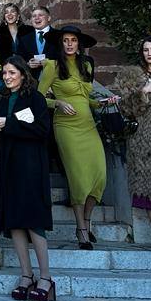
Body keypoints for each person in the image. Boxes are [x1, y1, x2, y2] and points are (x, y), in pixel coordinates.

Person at [38, 26, 115, 250]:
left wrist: (100, 102)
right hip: (66, 127)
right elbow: (38, 99)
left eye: (73, 40)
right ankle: (81, 229)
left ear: (78, 44)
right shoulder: (51, 66)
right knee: (79, 179)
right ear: (59, 44)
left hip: (88, 125)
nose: (70, 44)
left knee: (99, 176)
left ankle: (87, 222)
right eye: (65, 40)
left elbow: (86, 97)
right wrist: (58, 102)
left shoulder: (87, 64)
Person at [0, 55, 55, 301]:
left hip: (30, 166)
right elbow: (1, 136)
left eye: (12, 73)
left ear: (23, 74)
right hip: (8, 166)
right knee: (14, 221)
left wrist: (9, 123)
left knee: (33, 220)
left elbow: (42, 130)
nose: (7, 77)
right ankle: (26, 275)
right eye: (4, 73)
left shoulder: (35, 99)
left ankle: (45, 278)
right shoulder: (3, 100)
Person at [117, 36, 151, 248]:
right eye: (146, 49)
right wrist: (143, 93)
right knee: (149, 184)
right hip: (146, 139)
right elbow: (126, 109)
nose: (149, 53)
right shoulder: (133, 77)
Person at [18, 5, 61, 75]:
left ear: (49, 18)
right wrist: (28, 64)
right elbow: (19, 59)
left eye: (40, 15)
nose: (37, 18)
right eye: (34, 16)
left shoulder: (59, 36)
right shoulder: (24, 39)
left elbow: (65, 58)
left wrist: (46, 63)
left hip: (56, 77)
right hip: (33, 79)